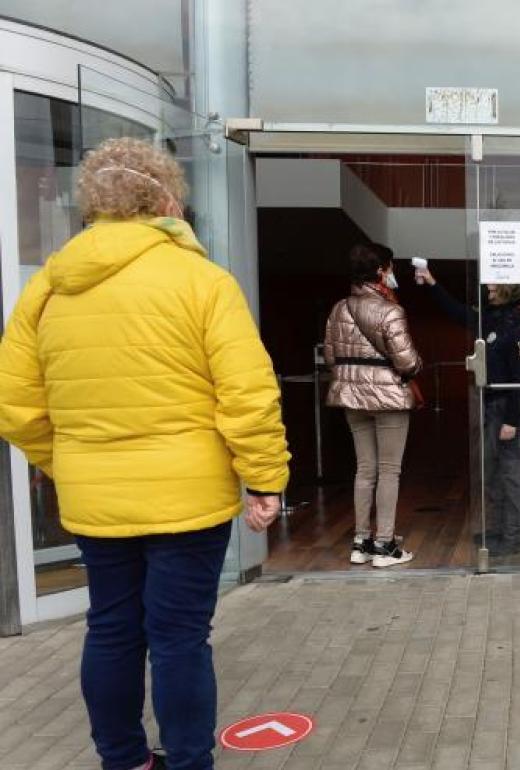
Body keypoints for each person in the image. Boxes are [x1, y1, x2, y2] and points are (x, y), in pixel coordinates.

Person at [0, 137, 290, 770]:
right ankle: (189, 761)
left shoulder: (47, 290)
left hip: (94, 498)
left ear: (93, 204)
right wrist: (263, 481)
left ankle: (125, 760)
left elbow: (17, 406)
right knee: (181, 636)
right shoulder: (202, 281)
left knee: (110, 628)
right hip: (188, 499)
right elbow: (247, 393)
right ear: (166, 199)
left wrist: (72, 462)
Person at [415, 265, 520, 555]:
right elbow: (457, 312)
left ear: (509, 287)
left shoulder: (517, 327)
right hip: (493, 405)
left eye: (495, 281)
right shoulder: (492, 319)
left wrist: (513, 421)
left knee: (511, 473)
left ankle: (516, 536)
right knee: (494, 472)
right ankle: (500, 530)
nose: (489, 285)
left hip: (507, 409)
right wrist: (432, 282)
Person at [324, 243, 422, 567]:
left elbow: (330, 356)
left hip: (351, 396)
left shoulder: (339, 308)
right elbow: (407, 362)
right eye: (391, 267)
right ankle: (385, 546)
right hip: (388, 398)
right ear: (381, 270)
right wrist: (417, 364)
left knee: (364, 469)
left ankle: (361, 541)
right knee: (389, 471)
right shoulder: (390, 310)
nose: (393, 274)